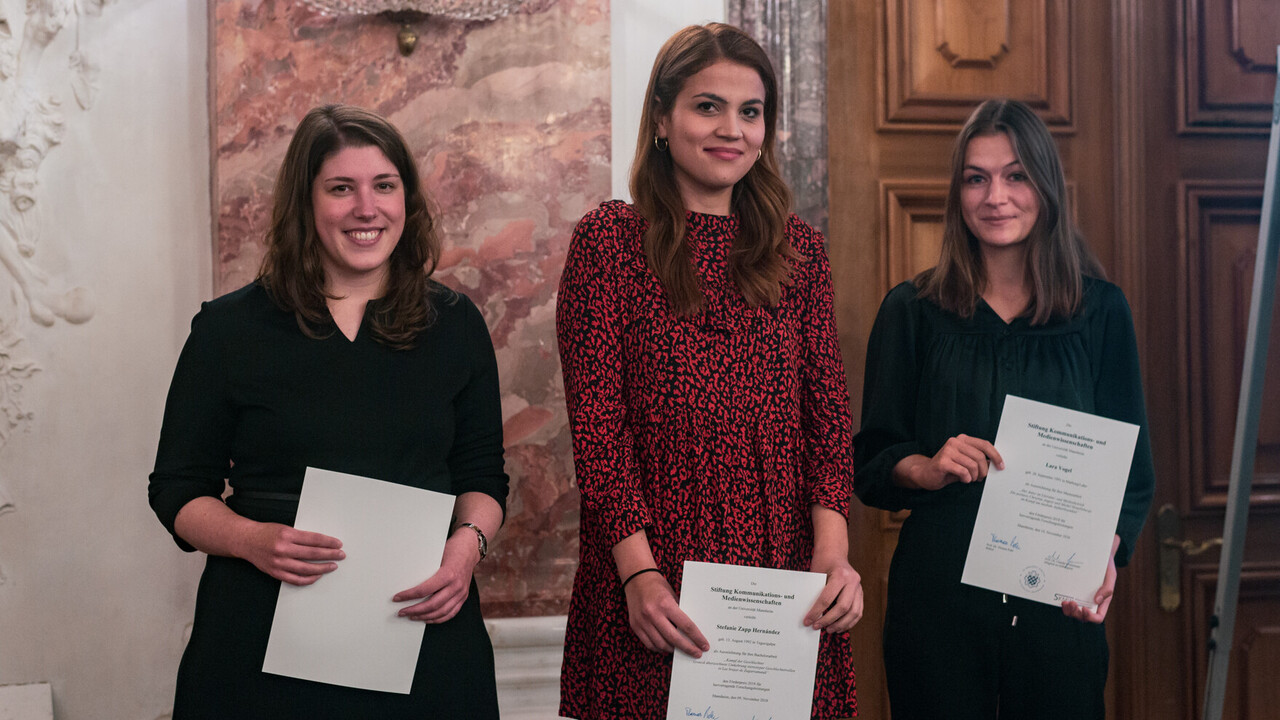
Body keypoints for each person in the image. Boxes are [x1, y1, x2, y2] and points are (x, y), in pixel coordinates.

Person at [148, 104, 508, 719]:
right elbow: (177, 490)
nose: (367, 208)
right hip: (258, 643)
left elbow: (482, 476)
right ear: (306, 203)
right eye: (341, 188)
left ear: (407, 199)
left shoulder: (457, 324)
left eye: (384, 186)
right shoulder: (229, 330)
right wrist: (252, 540)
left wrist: (468, 547)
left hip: (422, 636)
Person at [556, 23, 862, 720]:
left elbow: (829, 425)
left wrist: (835, 558)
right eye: (708, 106)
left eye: (750, 112)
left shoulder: (800, 254)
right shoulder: (609, 244)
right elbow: (600, 438)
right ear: (662, 118)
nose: (733, 129)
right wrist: (638, 574)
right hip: (653, 592)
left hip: (784, 592)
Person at [853, 98, 1155, 719]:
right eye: (976, 177)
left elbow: (1132, 472)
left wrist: (1106, 553)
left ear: (1044, 186)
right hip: (937, 605)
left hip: (1058, 608)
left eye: (1016, 175)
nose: (996, 196)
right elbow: (870, 464)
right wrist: (926, 467)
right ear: (957, 193)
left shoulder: (1101, 313)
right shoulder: (912, 311)